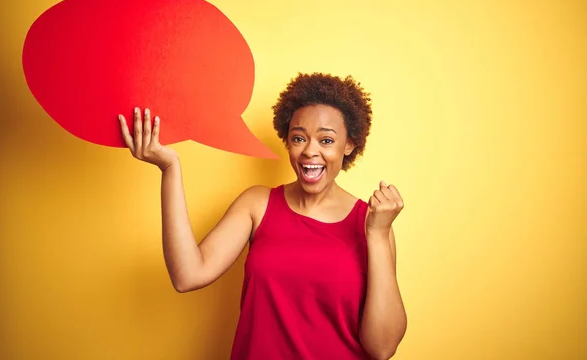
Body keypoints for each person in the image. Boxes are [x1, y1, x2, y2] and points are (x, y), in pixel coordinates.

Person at [118, 72, 407, 360]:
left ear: (349, 145)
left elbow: (381, 348)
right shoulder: (257, 204)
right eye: (298, 138)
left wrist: (379, 236)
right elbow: (187, 275)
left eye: (326, 141)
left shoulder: (370, 224)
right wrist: (170, 168)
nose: (310, 151)